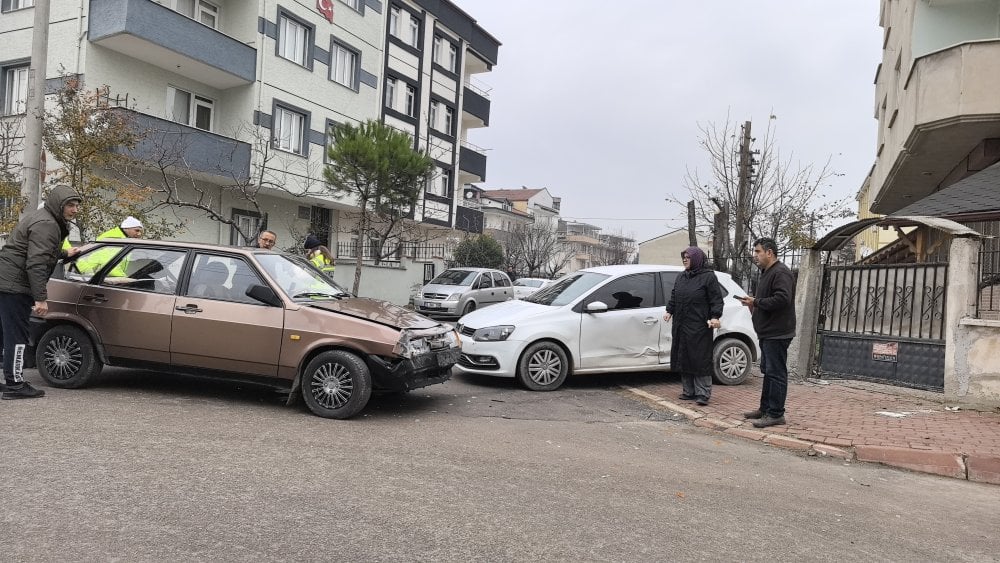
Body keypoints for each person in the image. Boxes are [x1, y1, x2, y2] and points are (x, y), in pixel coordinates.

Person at [0, 186, 83, 399]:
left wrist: (64, 253)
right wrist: (40, 298)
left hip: (5, 281)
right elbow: (36, 263)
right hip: (15, 286)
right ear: (59, 205)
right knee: (17, 336)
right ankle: (15, 385)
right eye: (70, 205)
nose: (74, 210)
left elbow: (37, 249)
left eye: (76, 206)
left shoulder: (43, 217)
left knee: (3, 333)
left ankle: (9, 380)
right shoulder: (47, 224)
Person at [738, 237, 796, 428]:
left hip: (778, 332)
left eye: (758, 252)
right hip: (767, 331)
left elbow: (782, 299)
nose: (755, 256)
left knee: (776, 373)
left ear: (769, 253)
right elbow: (766, 300)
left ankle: (776, 414)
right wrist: (753, 303)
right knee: (769, 372)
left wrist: (756, 302)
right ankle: (765, 409)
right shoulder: (767, 272)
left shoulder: (781, 273)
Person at [663, 246, 723, 406]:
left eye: (688, 257)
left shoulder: (708, 277)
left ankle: (703, 393)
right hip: (681, 325)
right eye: (683, 257)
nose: (684, 260)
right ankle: (688, 391)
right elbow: (675, 295)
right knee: (684, 357)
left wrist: (715, 316)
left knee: (699, 360)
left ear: (696, 259)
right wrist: (669, 310)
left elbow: (716, 299)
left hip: (699, 326)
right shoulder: (681, 277)